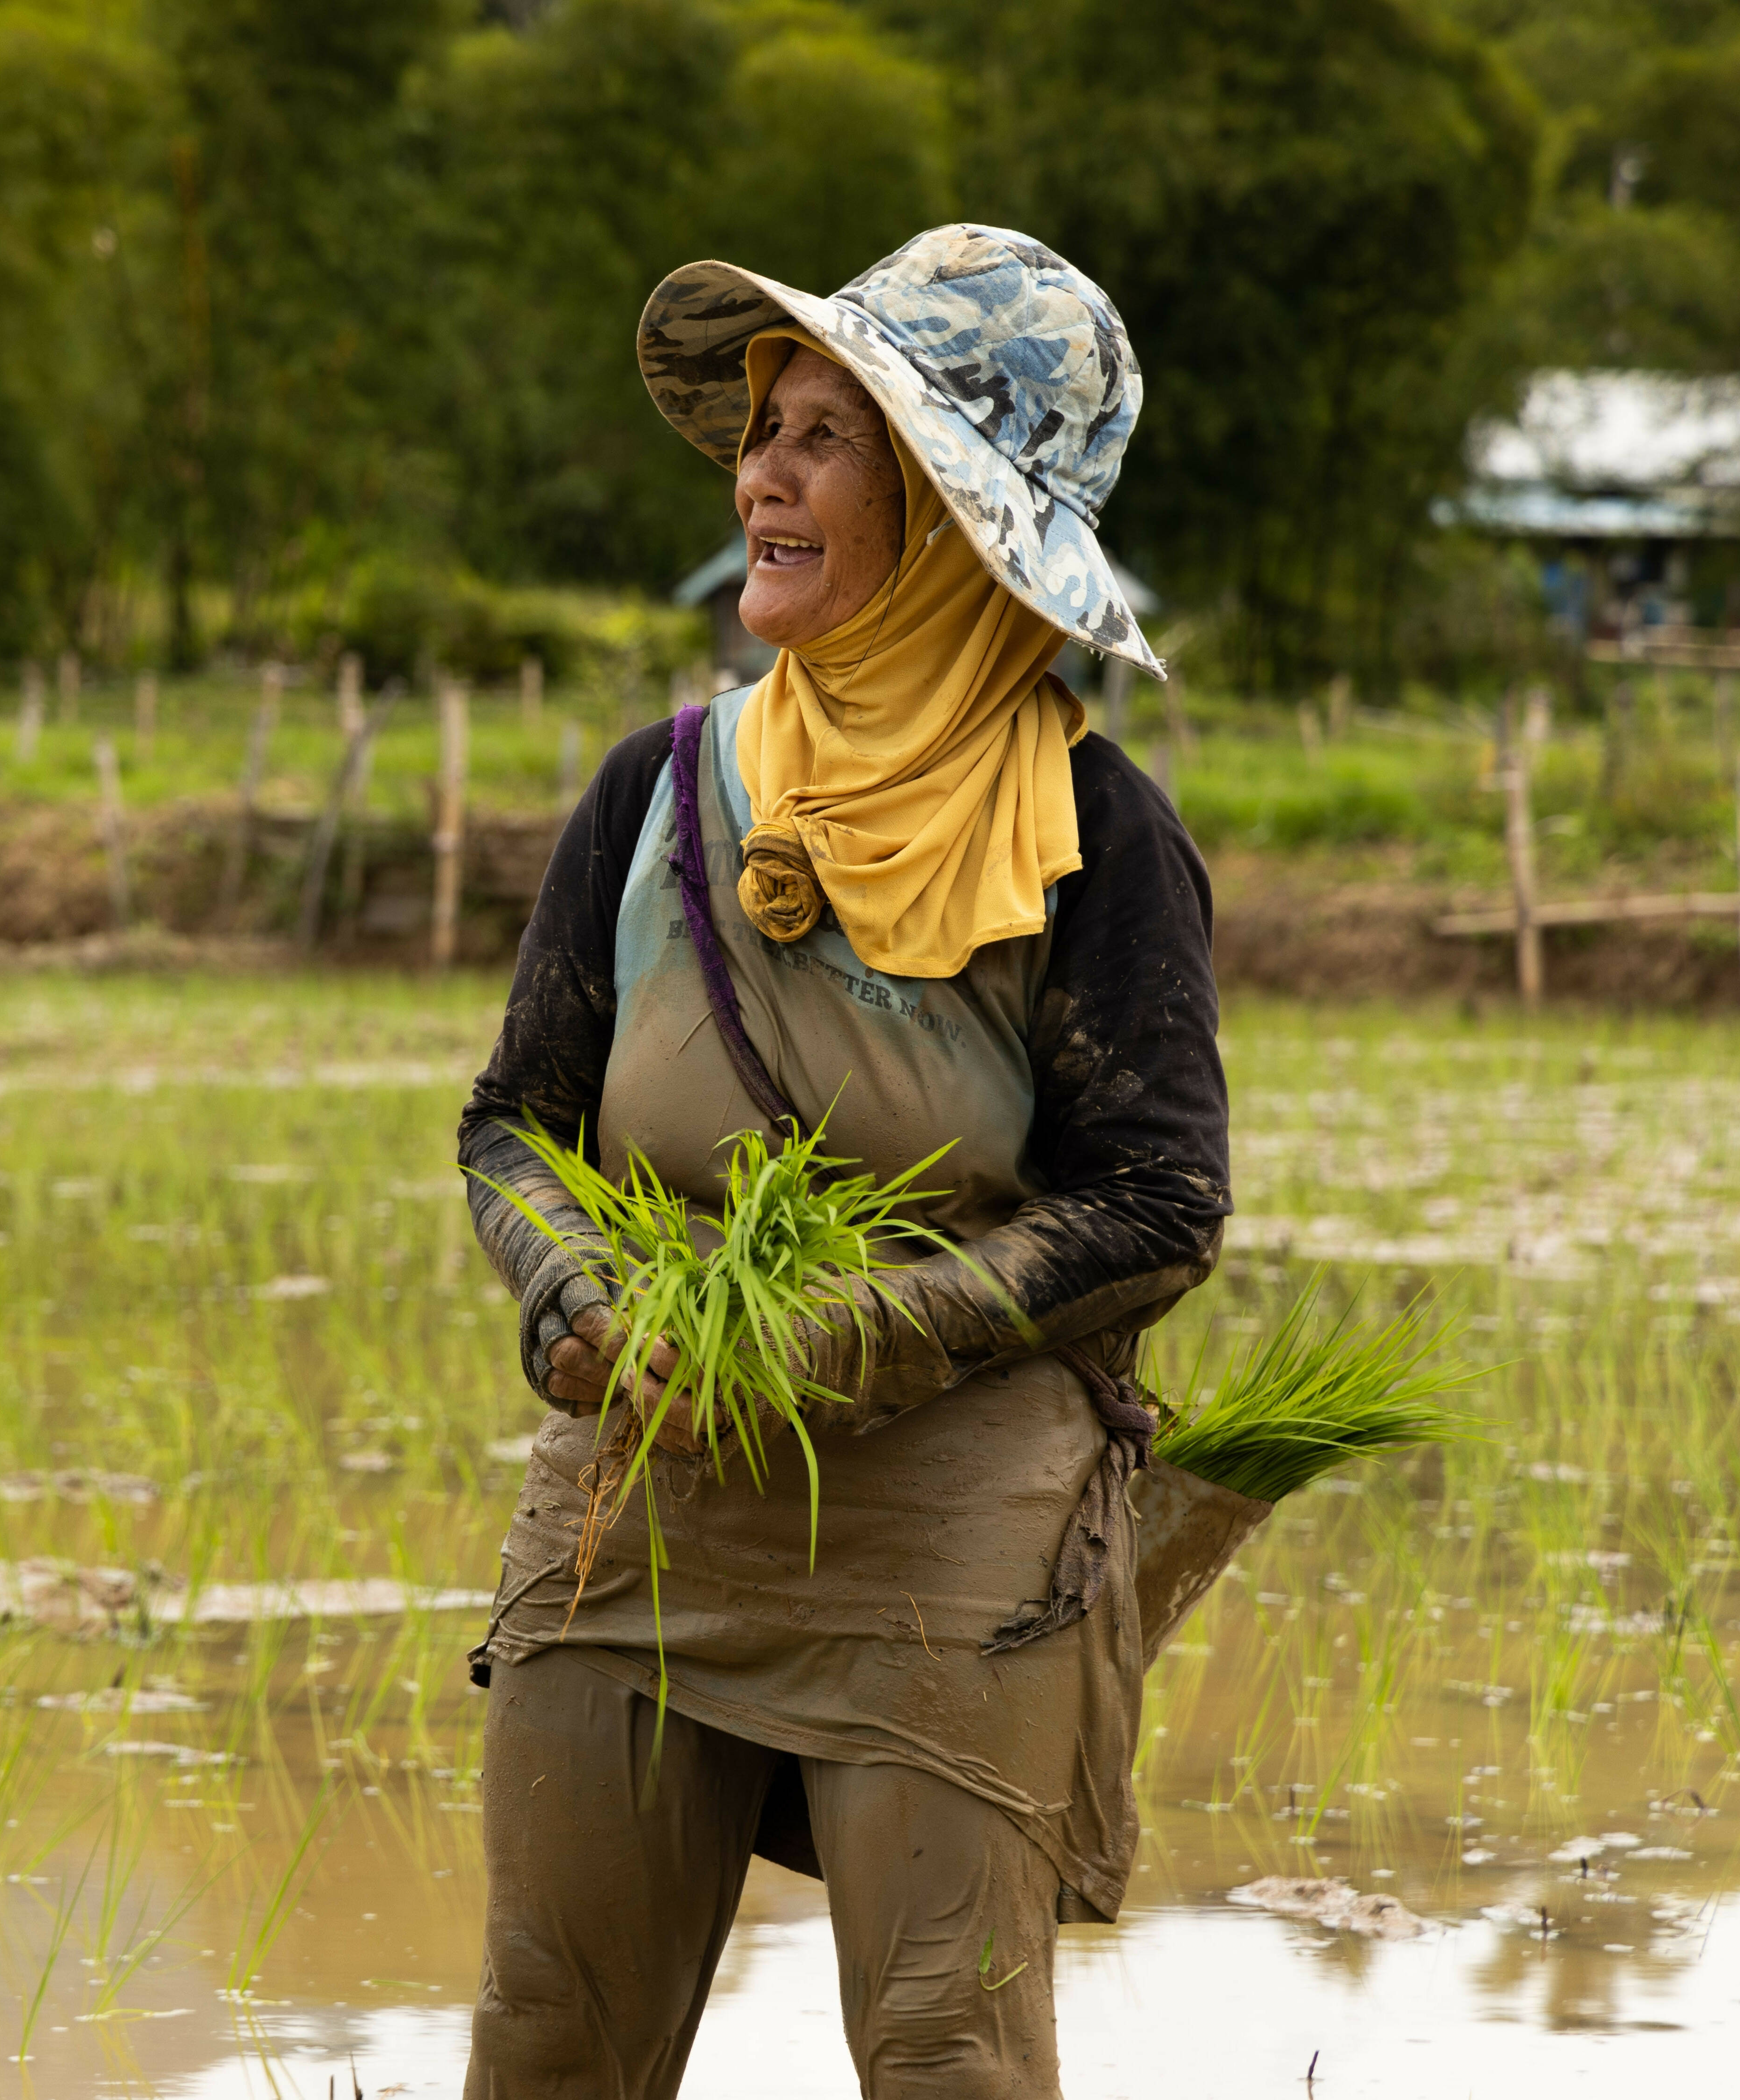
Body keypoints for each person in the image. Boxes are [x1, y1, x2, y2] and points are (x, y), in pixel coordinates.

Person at [454, 225, 1230, 2100]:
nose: (760, 477)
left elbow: (1153, 1205)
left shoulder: (1088, 835)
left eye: (824, 440)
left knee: (942, 2050)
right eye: (762, 430)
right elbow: (510, 1128)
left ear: (957, 524)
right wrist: (571, 1297)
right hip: (636, 1502)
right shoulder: (651, 793)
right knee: (549, 2038)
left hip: (944, 1536)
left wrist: (846, 1338)